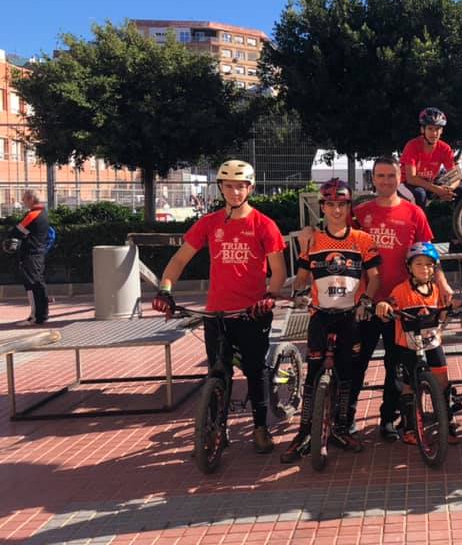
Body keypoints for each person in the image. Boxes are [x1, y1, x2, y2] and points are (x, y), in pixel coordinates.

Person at [153, 160, 286, 454]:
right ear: (221, 188)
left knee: (255, 371)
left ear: (250, 188)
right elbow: (178, 261)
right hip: (217, 312)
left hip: (252, 312)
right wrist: (165, 289)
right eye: (229, 186)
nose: (235, 192)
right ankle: (217, 429)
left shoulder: (264, 225)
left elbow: (279, 271)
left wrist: (270, 295)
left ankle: (260, 427)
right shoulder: (210, 223)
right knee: (219, 371)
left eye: (241, 186)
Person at [351, 155, 454, 441]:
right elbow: (340, 241)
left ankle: (388, 419)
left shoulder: (414, 213)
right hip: (369, 301)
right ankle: (345, 418)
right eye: (380, 176)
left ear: (400, 178)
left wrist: (443, 285)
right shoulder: (360, 213)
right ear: (373, 179)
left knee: (395, 366)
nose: (386, 181)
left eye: (391, 175)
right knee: (357, 363)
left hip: (403, 306)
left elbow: (430, 254)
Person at [281, 178, 381, 464]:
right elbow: (301, 277)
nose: (336, 210)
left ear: (350, 207)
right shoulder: (312, 239)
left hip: (351, 316)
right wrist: (298, 290)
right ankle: (303, 432)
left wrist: (366, 300)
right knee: (313, 376)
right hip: (320, 316)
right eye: (330, 204)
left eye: (342, 204)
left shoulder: (363, 239)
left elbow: (374, 277)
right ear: (322, 207)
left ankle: (339, 428)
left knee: (347, 375)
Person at [375, 242, 460, 446]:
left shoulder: (436, 290)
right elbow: (391, 302)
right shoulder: (402, 290)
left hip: (431, 344)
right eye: (419, 264)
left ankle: (447, 422)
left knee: (442, 381)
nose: (424, 268)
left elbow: (443, 311)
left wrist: (451, 306)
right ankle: (410, 426)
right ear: (409, 267)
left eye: (429, 264)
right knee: (408, 386)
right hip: (408, 347)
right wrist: (384, 305)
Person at [399, 107, 461, 209]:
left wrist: (449, 189)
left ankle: (460, 223)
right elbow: (411, 178)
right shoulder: (412, 146)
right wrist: (437, 190)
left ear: (442, 131)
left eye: (437, 129)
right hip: (405, 183)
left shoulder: (445, 148)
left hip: (428, 185)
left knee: (461, 191)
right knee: (419, 195)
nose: (434, 133)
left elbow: (455, 176)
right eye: (430, 129)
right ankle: (419, 224)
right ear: (422, 129)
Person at [5, 190, 50, 325]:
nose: (23, 202)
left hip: (30, 254)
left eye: (24, 199)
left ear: (31, 199)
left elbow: (16, 231)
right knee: (39, 283)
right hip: (38, 252)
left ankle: (35, 317)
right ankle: (42, 314)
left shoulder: (33, 214)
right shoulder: (43, 213)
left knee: (32, 285)